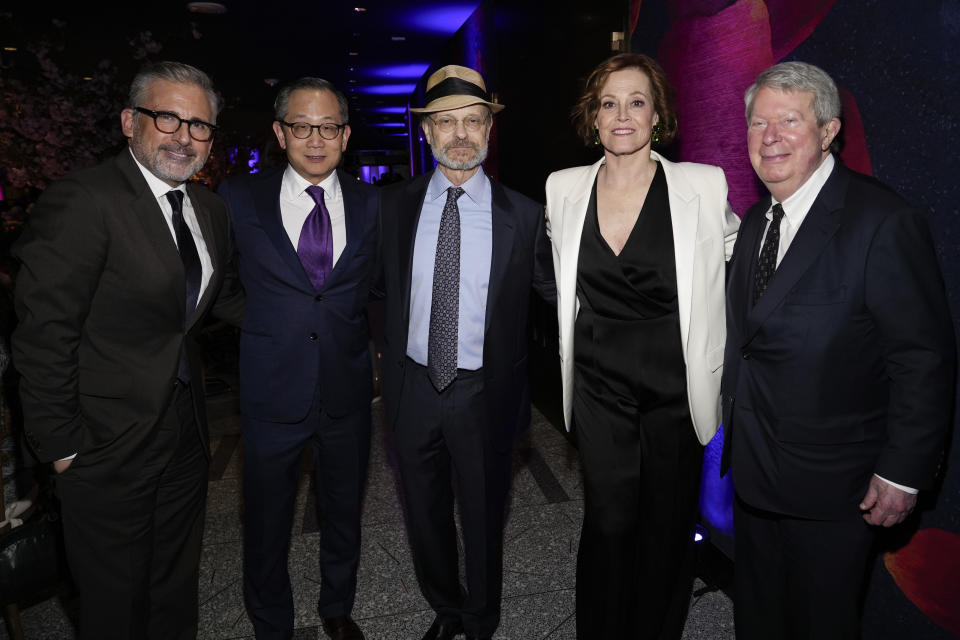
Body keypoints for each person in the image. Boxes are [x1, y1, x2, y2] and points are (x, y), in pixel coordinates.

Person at [721, 61, 956, 639]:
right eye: (757, 123)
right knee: (759, 619)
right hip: (753, 478)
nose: (769, 136)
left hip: (835, 489)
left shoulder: (884, 222)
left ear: (829, 132)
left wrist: (901, 474)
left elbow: (922, 358)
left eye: (789, 121)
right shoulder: (755, 221)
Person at [11, 61, 245, 639]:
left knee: (173, 579)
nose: (184, 137)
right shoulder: (83, 200)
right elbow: (43, 334)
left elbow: (219, 302)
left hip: (185, 434)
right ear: (128, 121)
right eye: (168, 118)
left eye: (200, 126)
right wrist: (61, 446)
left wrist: (318, 318)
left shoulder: (209, 209)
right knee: (113, 598)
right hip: (103, 440)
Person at [544, 53, 739, 639]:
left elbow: (733, 250)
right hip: (600, 382)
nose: (622, 115)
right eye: (609, 103)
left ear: (658, 116)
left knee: (667, 525)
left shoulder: (701, 185)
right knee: (608, 520)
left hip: (676, 385)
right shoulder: (563, 189)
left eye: (636, 102)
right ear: (593, 117)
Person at [379, 64, 554, 640]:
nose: (460, 134)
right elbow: (370, 292)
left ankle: (481, 618)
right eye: (446, 122)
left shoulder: (525, 216)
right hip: (412, 388)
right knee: (424, 515)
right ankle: (445, 607)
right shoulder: (393, 209)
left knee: (482, 516)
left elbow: (560, 294)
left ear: (489, 131)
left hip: (486, 392)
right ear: (427, 132)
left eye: (472, 121)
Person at [218, 78, 378, 640]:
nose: (316, 139)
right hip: (269, 391)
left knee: (343, 511)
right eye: (303, 126)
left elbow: (378, 290)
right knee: (265, 520)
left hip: (346, 390)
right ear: (281, 132)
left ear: (346, 134)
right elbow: (219, 284)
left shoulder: (371, 202)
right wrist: (266, 325)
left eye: (329, 127)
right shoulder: (238, 199)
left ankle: (338, 607)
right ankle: (272, 623)